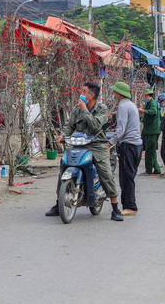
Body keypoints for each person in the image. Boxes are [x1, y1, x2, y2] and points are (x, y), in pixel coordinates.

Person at [46, 81, 123, 221]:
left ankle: (115, 208)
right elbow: (69, 125)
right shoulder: (77, 108)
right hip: (79, 144)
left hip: (96, 144)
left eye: (84, 92)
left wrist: (85, 111)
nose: (81, 94)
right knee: (63, 167)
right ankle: (58, 205)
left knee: (106, 174)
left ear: (91, 95)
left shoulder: (102, 109)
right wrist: (62, 135)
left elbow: (95, 127)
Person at [108, 81, 143, 216]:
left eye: (115, 91)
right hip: (137, 145)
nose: (113, 93)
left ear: (119, 94)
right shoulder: (131, 105)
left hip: (128, 145)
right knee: (130, 176)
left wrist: (110, 143)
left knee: (126, 177)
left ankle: (130, 207)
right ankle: (129, 205)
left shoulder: (123, 107)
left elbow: (120, 130)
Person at [139, 89, 161, 175]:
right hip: (150, 130)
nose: (144, 98)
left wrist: (143, 111)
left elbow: (154, 112)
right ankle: (157, 169)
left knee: (149, 151)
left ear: (147, 95)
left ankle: (148, 170)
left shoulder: (152, 103)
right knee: (152, 151)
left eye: (144, 96)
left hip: (152, 131)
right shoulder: (149, 103)